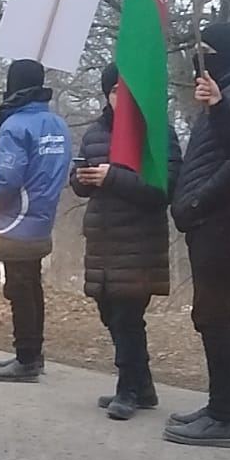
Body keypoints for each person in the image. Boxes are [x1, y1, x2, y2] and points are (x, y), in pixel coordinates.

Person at [163, 22, 230, 447]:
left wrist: (198, 202)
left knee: (219, 314)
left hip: (222, 219)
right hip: (211, 219)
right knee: (212, 314)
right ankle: (216, 406)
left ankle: (223, 415)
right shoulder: (225, 89)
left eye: (205, 50)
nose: (198, 58)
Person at [73, 65, 184, 420]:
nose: (124, 98)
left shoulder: (157, 133)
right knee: (109, 313)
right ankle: (143, 384)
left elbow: (162, 188)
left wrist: (113, 177)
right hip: (103, 241)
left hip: (139, 241)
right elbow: (80, 184)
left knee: (127, 317)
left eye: (130, 90)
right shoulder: (95, 133)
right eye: (117, 91)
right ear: (107, 94)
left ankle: (128, 389)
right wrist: (83, 178)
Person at [0, 59, 72, 383]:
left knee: (19, 289)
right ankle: (34, 353)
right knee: (32, 287)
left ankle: (26, 358)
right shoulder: (58, 124)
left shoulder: (15, 125)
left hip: (14, 221)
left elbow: (6, 179)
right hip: (42, 217)